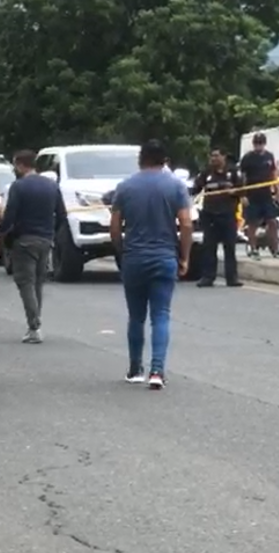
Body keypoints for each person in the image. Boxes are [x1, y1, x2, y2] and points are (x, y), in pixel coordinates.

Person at [109, 139, 193, 390]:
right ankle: (157, 370)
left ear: (140, 159)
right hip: (164, 256)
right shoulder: (176, 186)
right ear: (164, 160)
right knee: (161, 315)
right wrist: (185, 256)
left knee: (136, 316)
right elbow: (186, 224)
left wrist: (121, 252)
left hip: (134, 257)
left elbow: (114, 226)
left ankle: (135, 368)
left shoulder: (125, 187)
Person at [0, 149, 66, 343]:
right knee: (38, 282)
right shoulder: (52, 186)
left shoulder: (18, 187)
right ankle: (34, 323)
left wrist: (1, 234)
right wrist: (51, 232)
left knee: (25, 282)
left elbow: (10, 215)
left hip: (24, 240)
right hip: (45, 240)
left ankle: (34, 325)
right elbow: (61, 215)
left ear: (20, 164)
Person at [191, 148, 243, 287]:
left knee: (230, 248)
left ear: (224, 157)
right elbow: (195, 188)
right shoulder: (206, 173)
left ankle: (232, 278)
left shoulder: (233, 172)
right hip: (210, 215)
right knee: (209, 247)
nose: (213, 159)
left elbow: (243, 190)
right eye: (212, 156)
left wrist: (235, 192)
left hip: (228, 215)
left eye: (216, 156)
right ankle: (208, 277)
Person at [239, 132, 279, 260]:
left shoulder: (269, 156)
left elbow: (273, 175)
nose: (259, 146)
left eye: (261, 143)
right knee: (253, 223)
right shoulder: (248, 158)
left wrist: (277, 191)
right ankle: (253, 249)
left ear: (264, 144)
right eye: (257, 144)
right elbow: (243, 178)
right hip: (252, 195)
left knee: (272, 222)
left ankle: (275, 249)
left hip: (266, 195)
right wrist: (243, 195)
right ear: (254, 144)